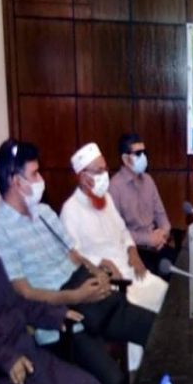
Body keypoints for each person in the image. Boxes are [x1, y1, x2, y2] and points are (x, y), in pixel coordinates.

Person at [0, 139, 155, 384]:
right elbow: (24, 292)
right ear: (15, 181)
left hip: (90, 299)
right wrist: (76, 296)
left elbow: (74, 255)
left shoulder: (44, 213)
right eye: (34, 174)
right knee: (114, 382)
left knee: (155, 328)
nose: (40, 180)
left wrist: (97, 272)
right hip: (59, 319)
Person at [0, 184, 105, 384]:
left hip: (30, 354)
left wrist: (55, 314)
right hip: (4, 372)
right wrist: (6, 359)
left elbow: (17, 303)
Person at [61, 143, 168, 371]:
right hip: (110, 283)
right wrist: (101, 264)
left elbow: (123, 232)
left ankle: (160, 358)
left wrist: (133, 252)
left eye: (105, 169)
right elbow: (73, 257)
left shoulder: (106, 200)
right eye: (98, 171)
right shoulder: (70, 211)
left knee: (166, 294)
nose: (105, 175)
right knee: (139, 310)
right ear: (83, 177)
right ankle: (137, 371)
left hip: (131, 270)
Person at [109, 133, 177, 279]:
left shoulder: (148, 180)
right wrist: (148, 239)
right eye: (138, 153)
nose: (144, 157)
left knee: (181, 268)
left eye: (145, 152)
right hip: (134, 251)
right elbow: (117, 232)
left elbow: (161, 215)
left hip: (158, 244)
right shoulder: (114, 187)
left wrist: (163, 233)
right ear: (125, 159)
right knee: (156, 281)